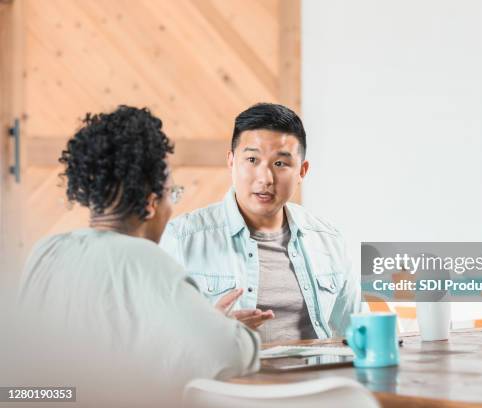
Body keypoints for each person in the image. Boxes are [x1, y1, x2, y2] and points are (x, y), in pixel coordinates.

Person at [17, 106, 259, 405]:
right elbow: (230, 354)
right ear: (149, 204)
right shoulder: (147, 260)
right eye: (173, 193)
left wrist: (202, 321)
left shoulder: (47, 251)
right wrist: (224, 327)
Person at [160, 103, 360, 343]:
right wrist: (213, 332)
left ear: (302, 171)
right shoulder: (182, 238)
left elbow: (358, 329)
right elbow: (153, 339)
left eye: (280, 163)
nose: (265, 178)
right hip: (228, 378)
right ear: (231, 162)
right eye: (252, 159)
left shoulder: (328, 239)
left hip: (315, 378)